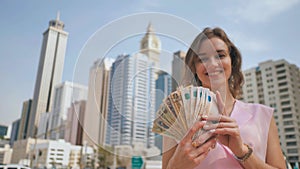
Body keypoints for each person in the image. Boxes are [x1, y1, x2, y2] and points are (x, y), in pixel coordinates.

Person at [162, 27, 286, 169]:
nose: (213, 64)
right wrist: (177, 165)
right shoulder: (177, 116)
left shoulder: (263, 116)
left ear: (232, 61)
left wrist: (242, 151)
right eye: (202, 59)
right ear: (194, 68)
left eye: (220, 55)